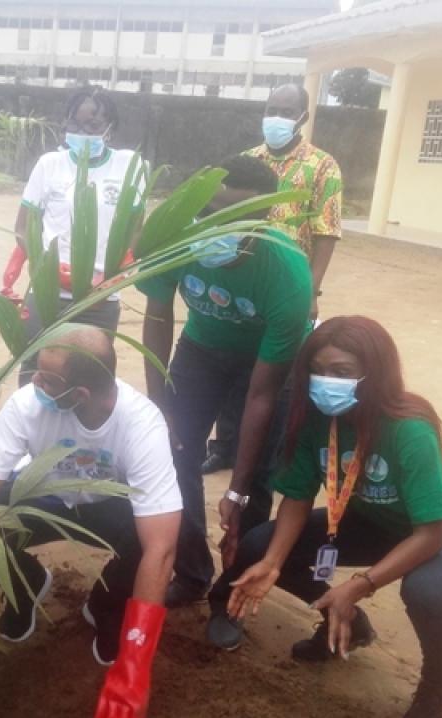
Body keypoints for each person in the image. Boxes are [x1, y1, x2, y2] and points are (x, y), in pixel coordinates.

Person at [207, 316, 442, 718]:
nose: (327, 382)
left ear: (375, 373)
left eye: (342, 371)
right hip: (370, 522)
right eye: (318, 370)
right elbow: (298, 498)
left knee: (427, 591)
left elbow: (430, 533)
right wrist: (273, 563)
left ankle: (435, 689)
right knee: (261, 545)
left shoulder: (409, 428)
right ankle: (346, 625)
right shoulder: (316, 421)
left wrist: (358, 585)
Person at [0, 326, 181, 718]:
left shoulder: (141, 424)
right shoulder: (27, 404)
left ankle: (106, 606)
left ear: (80, 394)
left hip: (108, 508)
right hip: (42, 496)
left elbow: (161, 548)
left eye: (47, 378)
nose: (34, 381)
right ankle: (25, 584)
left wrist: (135, 662)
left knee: (161, 538)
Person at [138, 155, 312, 607]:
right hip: (201, 350)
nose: (220, 226)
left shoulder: (288, 272)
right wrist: (160, 407)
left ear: (265, 216)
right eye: (210, 212)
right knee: (174, 453)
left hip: (268, 363)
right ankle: (192, 571)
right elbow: (157, 318)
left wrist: (237, 487)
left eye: (239, 216)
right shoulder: (175, 239)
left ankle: (232, 590)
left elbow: (262, 395)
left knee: (256, 479)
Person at [202, 83, 343, 475]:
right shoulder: (247, 161)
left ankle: (271, 454)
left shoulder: (322, 166)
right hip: (243, 278)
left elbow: (326, 230)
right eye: (271, 109)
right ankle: (224, 447)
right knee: (235, 365)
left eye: (286, 111)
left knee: (278, 374)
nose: (276, 117)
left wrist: (311, 289)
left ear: (303, 117)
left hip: (287, 285)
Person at [7, 87, 141, 384]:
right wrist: (53, 271)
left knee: (91, 379)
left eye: (92, 125)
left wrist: (109, 281)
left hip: (101, 300)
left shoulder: (128, 166)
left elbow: (135, 232)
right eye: (75, 125)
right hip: (48, 295)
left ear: (110, 127)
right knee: (36, 373)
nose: (82, 133)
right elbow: (23, 229)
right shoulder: (50, 165)